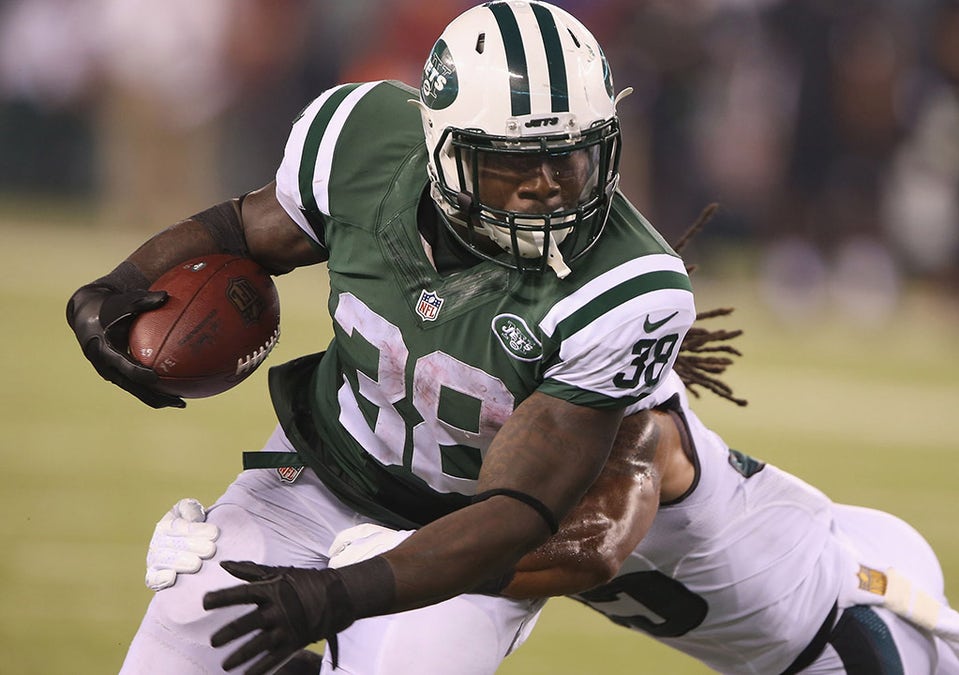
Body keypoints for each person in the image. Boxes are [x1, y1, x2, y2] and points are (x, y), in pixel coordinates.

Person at [66, 2, 697, 673]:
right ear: (444, 148)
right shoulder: (361, 140)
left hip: (465, 535)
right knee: (179, 644)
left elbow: (519, 511)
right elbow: (240, 230)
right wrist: (116, 286)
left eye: (570, 156)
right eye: (516, 163)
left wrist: (340, 593)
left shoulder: (630, 288)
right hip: (318, 472)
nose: (548, 187)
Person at [151, 364, 959, 675]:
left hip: (850, 631)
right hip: (798, 570)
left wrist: (375, 577)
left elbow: (592, 552)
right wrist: (225, 575)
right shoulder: (532, 415)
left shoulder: (636, 431)